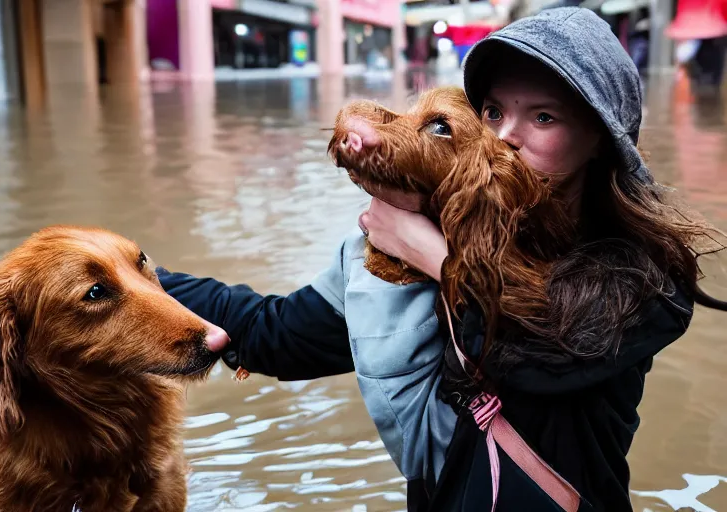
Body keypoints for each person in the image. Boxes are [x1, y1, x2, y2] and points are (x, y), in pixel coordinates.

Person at [158, 8, 720, 512]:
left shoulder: (643, 272)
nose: (505, 137)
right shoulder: (408, 239)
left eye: (544, 118)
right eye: (494, 111)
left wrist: (437, 258)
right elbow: (272, 332)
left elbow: (546, 355)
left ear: (598, 138)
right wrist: (135, 278)